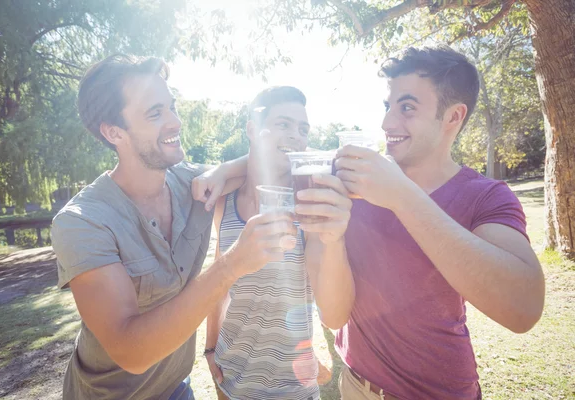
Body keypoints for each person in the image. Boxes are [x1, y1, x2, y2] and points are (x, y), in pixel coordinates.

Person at [50, 54, 297, 400]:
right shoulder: (81, 222)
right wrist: (230, 266)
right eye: (155, 113)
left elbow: (263, 161)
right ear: (113, 132)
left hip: (176, 390)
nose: (175, 122)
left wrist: (223, 170)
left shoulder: (194, 185)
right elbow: (131, 352)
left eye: (172, 107)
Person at [332, 46, 545, 399]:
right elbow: (285, 156)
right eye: (388, 106)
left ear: (453, 117)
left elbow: (523, 309)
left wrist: (402, 196)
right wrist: (228, 169)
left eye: (407, 107)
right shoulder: (359, 178)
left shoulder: (485, 196)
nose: (387, 123)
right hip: (354, 384)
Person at [203, 86, 355, 400]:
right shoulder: (225, 202)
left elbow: (333, 313)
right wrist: (210, 347)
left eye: (303, 129)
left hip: (292, 387)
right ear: (252, 130)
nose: (297, 136)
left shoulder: (309, 207)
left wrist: (333, 239)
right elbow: (219, 285)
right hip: (230, 378)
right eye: (283, 124)